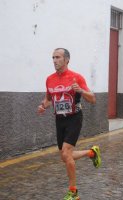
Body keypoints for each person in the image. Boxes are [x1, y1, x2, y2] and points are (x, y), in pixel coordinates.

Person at [37, 48, 101, 200]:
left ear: (66, 60)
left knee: (66, 153)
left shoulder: (76, 77)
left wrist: (81, 91)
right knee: (64, 157)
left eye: (58, 57)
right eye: (53, 57)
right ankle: (91, 153)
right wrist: (43, 106)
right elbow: (48, 98)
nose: (54, 60)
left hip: (74, 117)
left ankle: (73, 192)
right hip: (59, 120)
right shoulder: (49, 79)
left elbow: (92, 99)